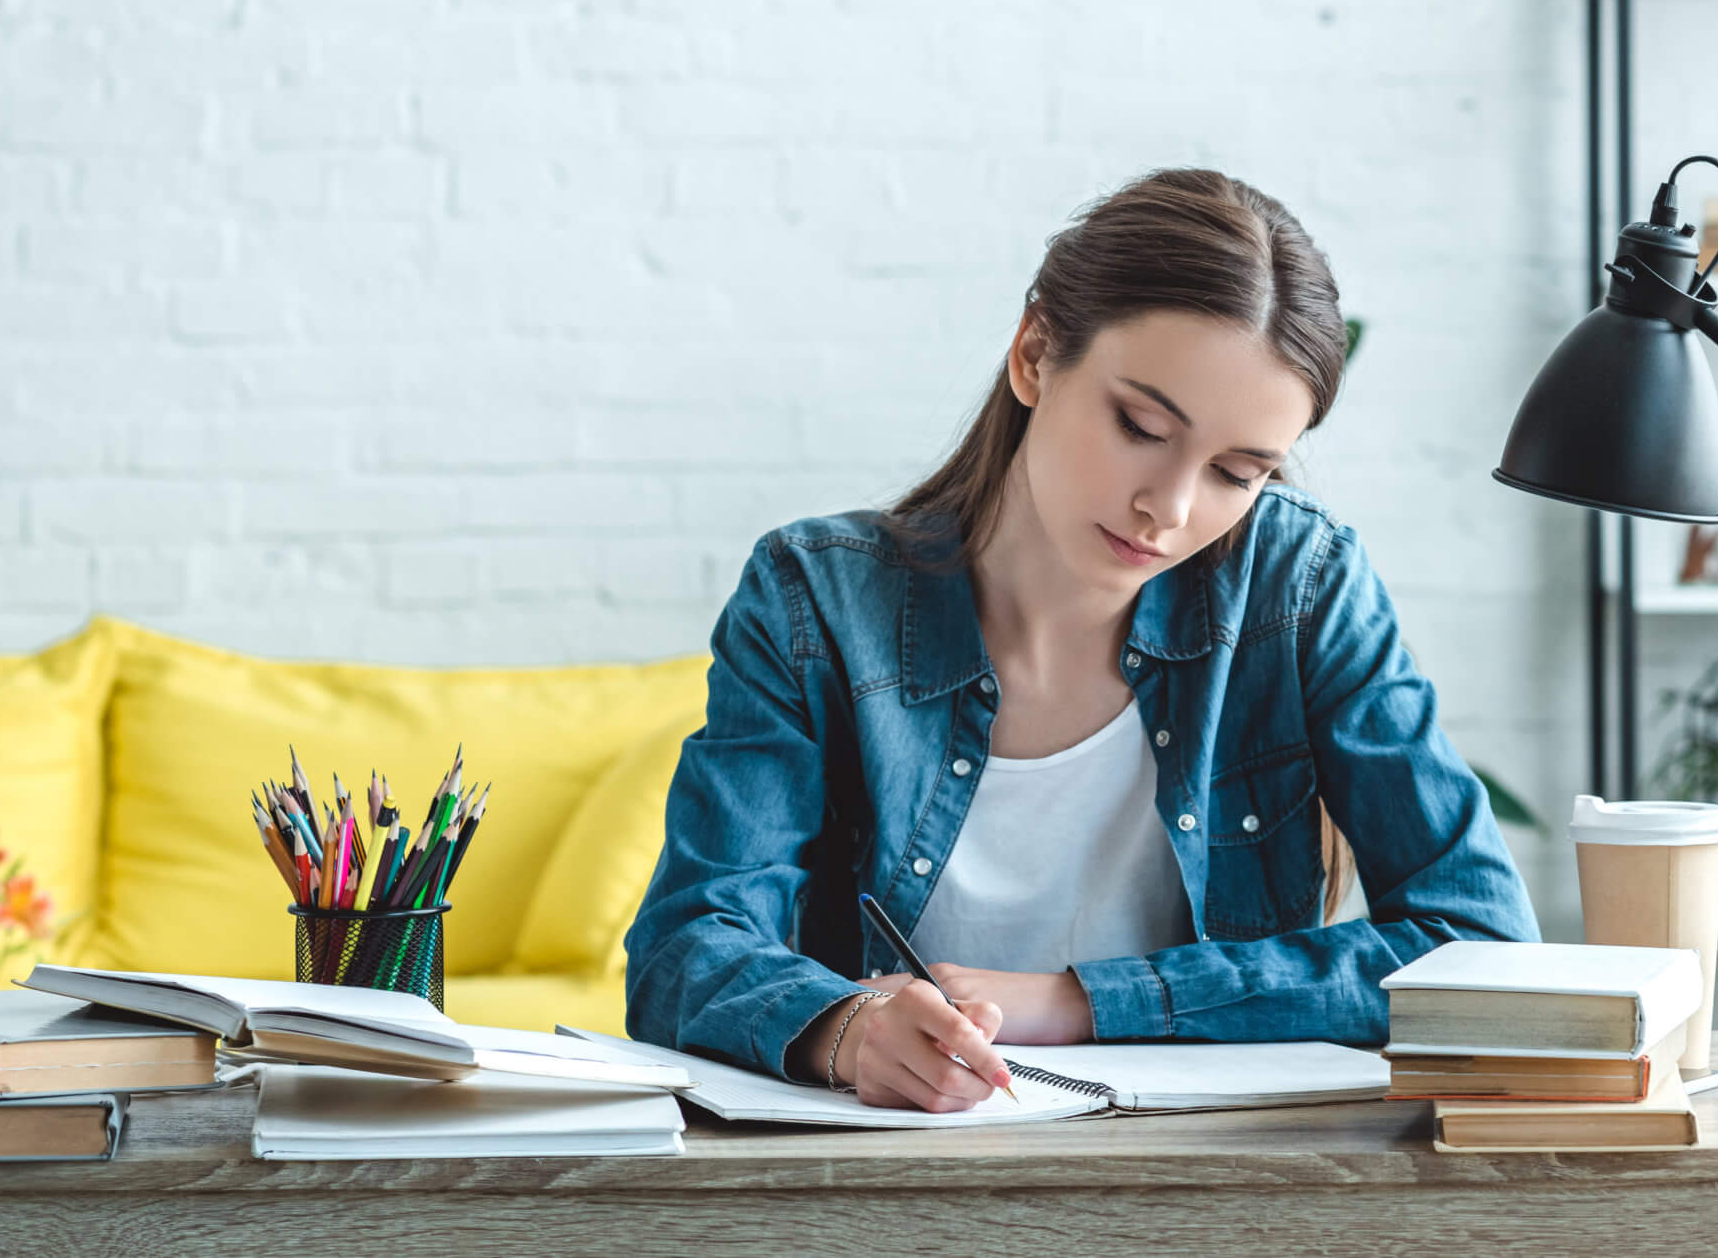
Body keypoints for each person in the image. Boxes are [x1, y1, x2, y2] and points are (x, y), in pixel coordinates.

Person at [623, 167, 1538, 1112]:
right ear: (1034, 354)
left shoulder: (1299, 587)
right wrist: (846, 1032)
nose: (1170, 508)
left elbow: (1483, 946)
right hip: (882, 1188)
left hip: (1216, 1186)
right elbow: (685, 948)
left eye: (1237, 473)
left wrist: (1074, 1003)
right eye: (1141, 426)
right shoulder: (815, 602)